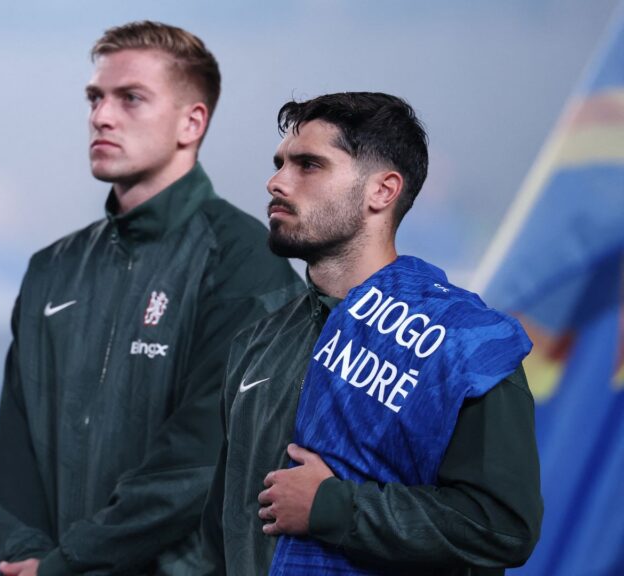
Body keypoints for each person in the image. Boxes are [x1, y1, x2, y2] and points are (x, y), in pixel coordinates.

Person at [0, 21, 301, 576]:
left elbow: (201, 460)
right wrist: (25, 554)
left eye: (130, 98)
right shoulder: (52, 268)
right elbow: (15, 452)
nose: (101, 116)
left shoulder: (246, 262)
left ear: (191, 122)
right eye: (95, 98)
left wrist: (68, 563)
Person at [201, 92, 543, 575]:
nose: (276, 182)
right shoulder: (257, 344)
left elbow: (501, 526)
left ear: (382, 191)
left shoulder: (463, 341)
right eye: (280, 164)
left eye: (309, 165)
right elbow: (220, 534)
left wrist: (332, 507)